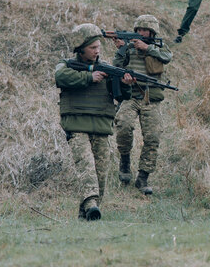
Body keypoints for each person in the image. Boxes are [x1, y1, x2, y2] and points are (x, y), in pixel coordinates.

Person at [55, 23, 132, 221]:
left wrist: (125, 85)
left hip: (101, 127)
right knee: (86, 168)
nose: (97, 51)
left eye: (99, 47)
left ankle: (87, 214)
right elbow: (61, 76)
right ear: (81, 48)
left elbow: (122, 96)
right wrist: (90, 76)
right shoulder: (67, 65)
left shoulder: (107, 68)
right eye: (93, 48)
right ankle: (90, 204)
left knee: (101, 175)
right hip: (77, 125)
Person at [113, 15, 173, 195]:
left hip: (151, 98)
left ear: (152, 32)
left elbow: (167, 56)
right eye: (138, 30)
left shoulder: (159, 47)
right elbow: (115, 66)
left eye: (145, 30)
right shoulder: (129, 47)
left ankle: (143, 177)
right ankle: (124, 162)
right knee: (123, 125)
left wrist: (148, 49)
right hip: (131, 96)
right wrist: (121, 50)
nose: (140, 33)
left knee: (153, 137)